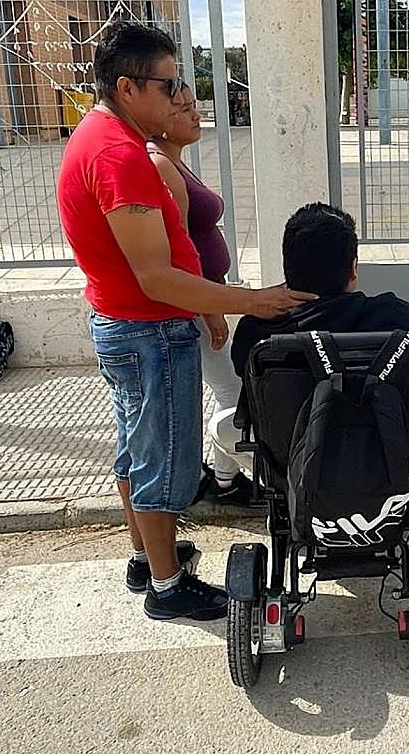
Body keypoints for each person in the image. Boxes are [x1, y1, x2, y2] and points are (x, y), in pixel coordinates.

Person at [56, 21, 314, 622]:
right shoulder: (119, 155)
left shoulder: (99, 134)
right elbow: (154, 273)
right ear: (127, 86)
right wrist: (247, 300)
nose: (178, 98)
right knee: (164, 459)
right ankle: (169, 588)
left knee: (135, 450)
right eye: (168, 85)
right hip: (148, 328)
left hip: (126, 323)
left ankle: (148, 557)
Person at [211, 203, 409, 469]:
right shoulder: (397, 316)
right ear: (353, 269)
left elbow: (247, 382)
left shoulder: (257, 330)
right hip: (386, 450)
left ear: (287, 267)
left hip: (296, 454)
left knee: (221, 426)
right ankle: (408, 478)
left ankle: (284, 485)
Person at [147, 84, 253, 505]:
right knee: (234, 390)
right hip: (194, 302)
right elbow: (179, 248)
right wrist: (208, 307)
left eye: (194, 106)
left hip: (206, 296)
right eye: (184, 108)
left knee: (231, 387)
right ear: (161, 119)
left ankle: (221, 477)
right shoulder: (161, 166)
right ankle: (222, 480)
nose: (196, 115)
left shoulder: (176, 162)